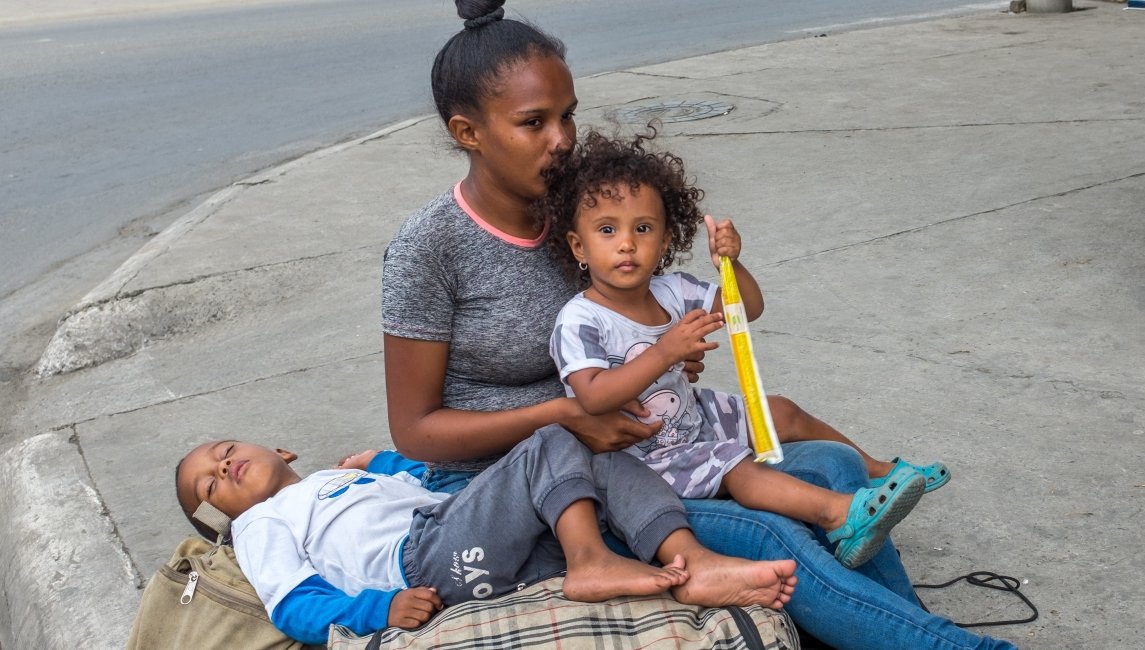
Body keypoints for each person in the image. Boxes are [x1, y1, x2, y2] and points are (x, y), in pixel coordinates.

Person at [381, 1, 1015, 647]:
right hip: (539, 490)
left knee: (828, 463)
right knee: (772, 535)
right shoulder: (431, 248)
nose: (563, 139)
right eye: (533, 122)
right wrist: (568, 414)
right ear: (468, 132)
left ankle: (903, 630)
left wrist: (667, 353)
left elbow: (639, 316)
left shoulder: (588, 210)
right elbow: (415, 431)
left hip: (648, 436)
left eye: (567, 114)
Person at [537, 130, 930, 569]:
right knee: (737, 465)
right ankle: (838, 515)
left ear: (665, 241)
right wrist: (666, 351)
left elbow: (748, 308)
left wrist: (731, 264)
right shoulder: (580, 320)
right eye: (607, 229)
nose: (626, 243)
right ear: (579, 246)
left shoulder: (674, 290)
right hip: (639, 458)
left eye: (643, 228)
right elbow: (592, 396)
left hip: (693, 416)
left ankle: (880, 471)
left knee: (780, 411)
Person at [174, 427, 797, 644]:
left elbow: (447, 491)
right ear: (223, 520)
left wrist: (384, 465)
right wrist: (377, 608)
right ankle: (589, 562)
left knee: (596, 459)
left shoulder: (336, 482)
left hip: (471, 545)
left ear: (280, 448)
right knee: (554, 441)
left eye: (224, 451)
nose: (222, 467)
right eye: (210, 487)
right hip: (425, 563)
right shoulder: (261, 523)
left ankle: (692, 561)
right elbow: (293, 603)